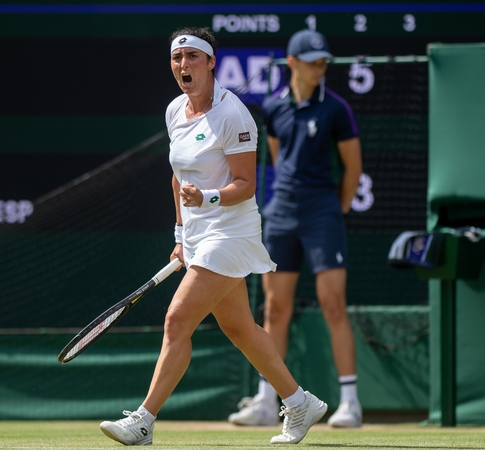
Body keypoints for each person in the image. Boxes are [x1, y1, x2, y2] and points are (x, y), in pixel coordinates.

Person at [99, 27, 328, 446]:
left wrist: (205, 196)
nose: (183, 65)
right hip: (199, 234)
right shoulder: (174, 112)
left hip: (232, 231)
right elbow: (177, 177)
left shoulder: (233, 114)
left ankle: (144, 420)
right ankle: (299, 402)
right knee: (241, 329)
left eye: (192, 57)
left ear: (210, 63)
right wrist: (180, 233)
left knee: (176, 319)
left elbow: (246, 184)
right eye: (177, 58)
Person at [227, 29, 364, 429]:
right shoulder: (273, 108)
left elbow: (353, 169)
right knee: (275, 308)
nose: (320, 68)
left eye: (324, 61)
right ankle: (268, 402)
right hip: (283, 212)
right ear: (293, 63)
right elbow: (278, 155)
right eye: (313, 61)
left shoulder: (336, 110)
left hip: (322, 212)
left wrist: (332, 210)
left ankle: (351, 403)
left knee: (333, 303)